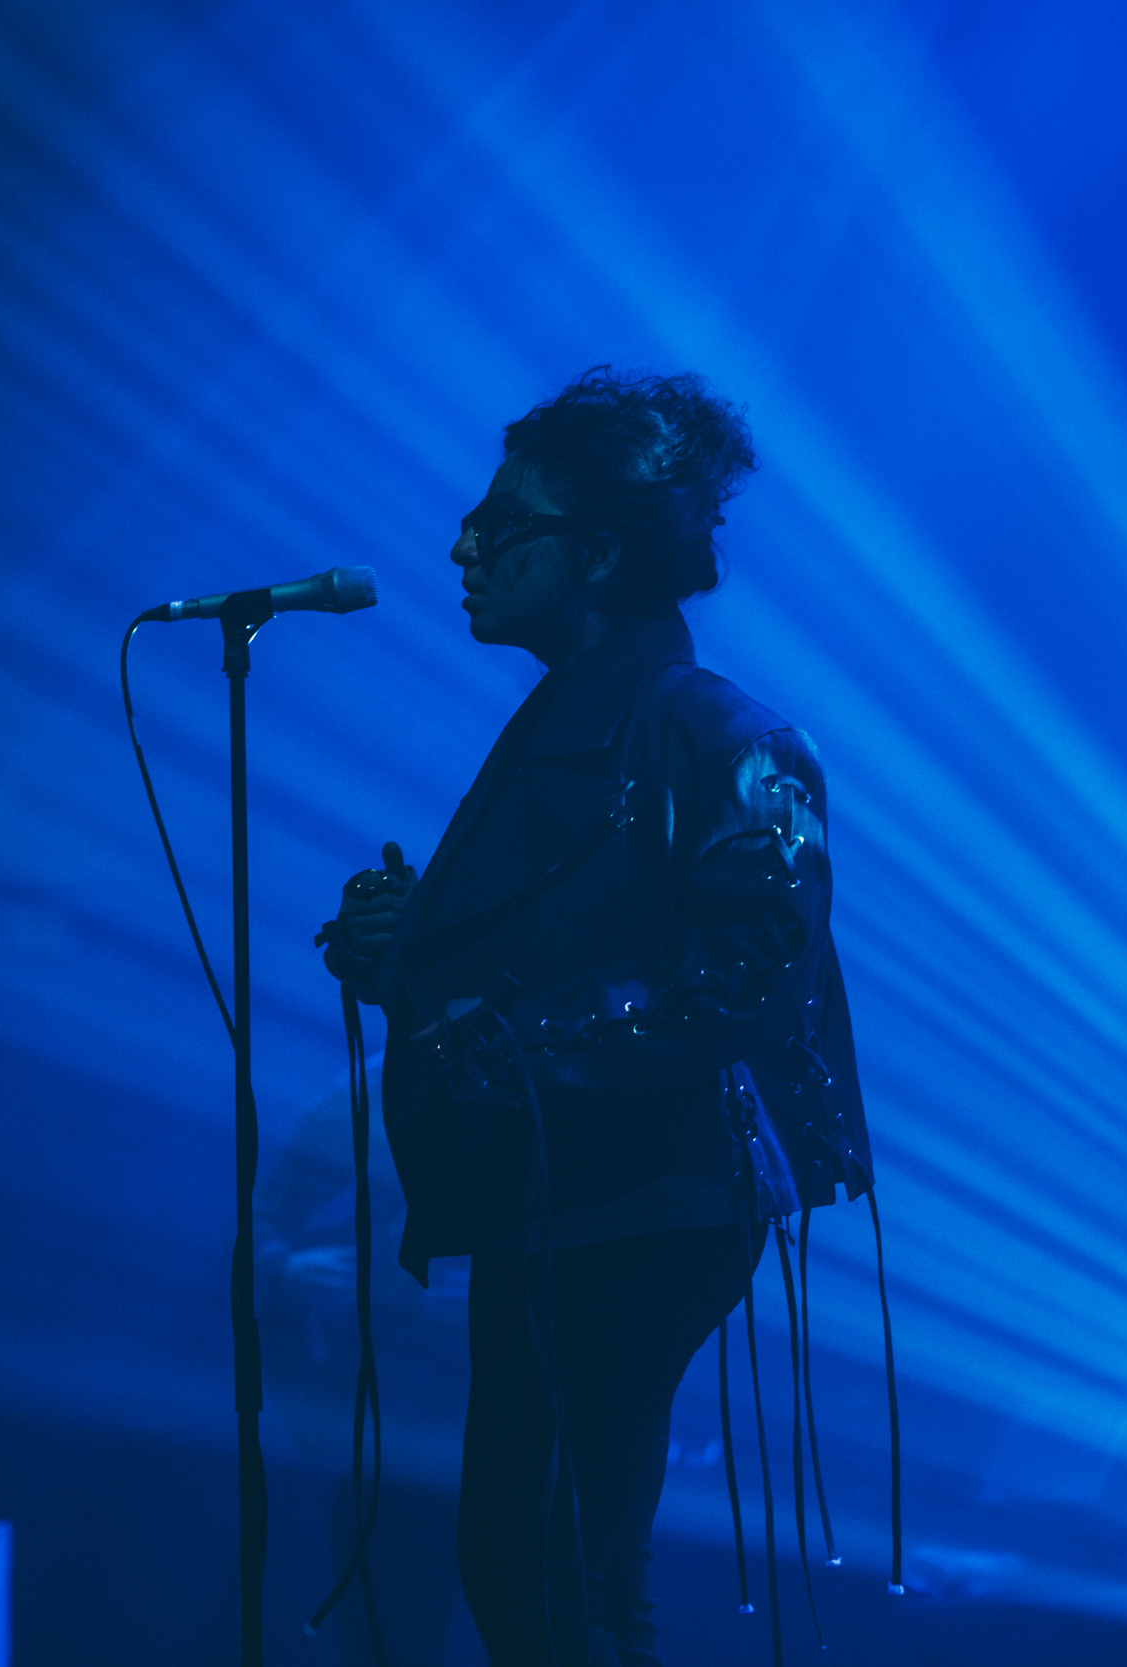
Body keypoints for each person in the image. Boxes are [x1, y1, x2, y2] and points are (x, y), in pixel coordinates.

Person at [322, 368, 873, 1666]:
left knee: (547, 1563)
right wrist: (409, 957)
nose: (464, 544)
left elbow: (750, 968)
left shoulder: (718, 734)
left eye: (502, 520)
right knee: (549, 1567)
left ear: (602, 552)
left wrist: (517, 1041)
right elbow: (583, 943)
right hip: (568, 1193)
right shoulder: (578, 727)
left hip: (646, 1197)